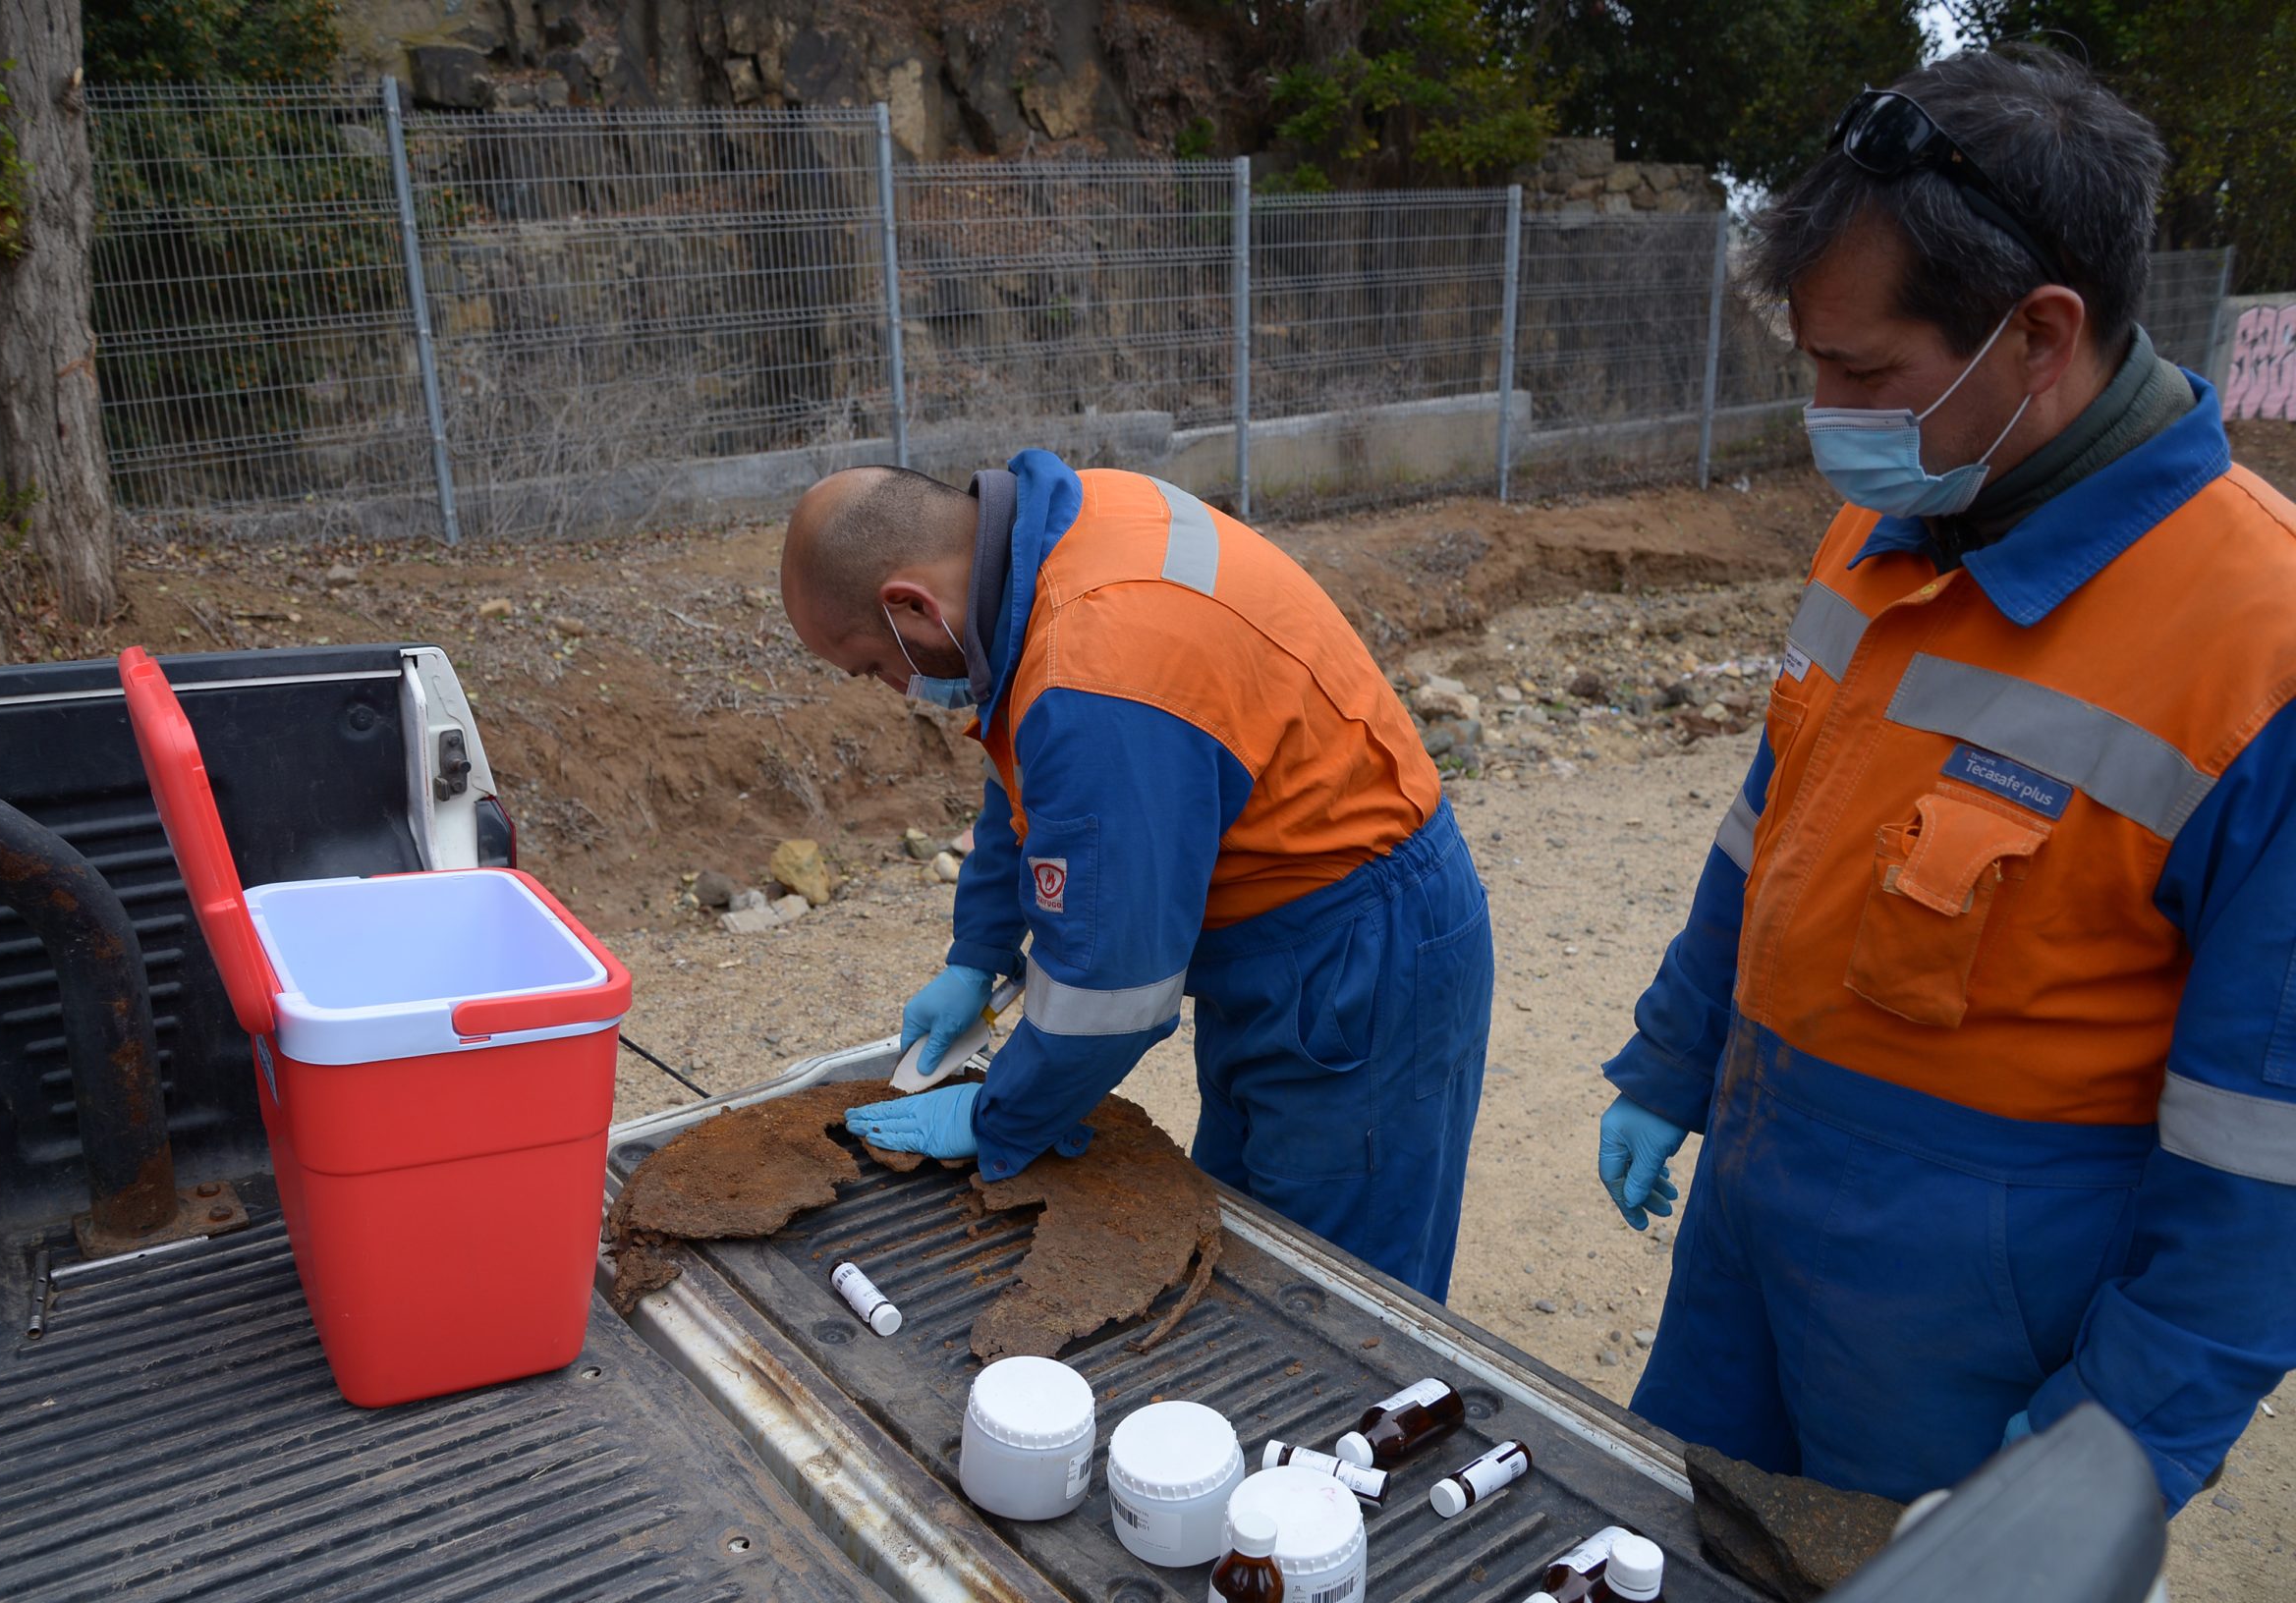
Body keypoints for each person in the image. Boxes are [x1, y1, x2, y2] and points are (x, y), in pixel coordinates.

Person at [1596, 46, 2296, 1515]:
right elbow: (1765, 828)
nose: (1828, 412)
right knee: (1693, 1559)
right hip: (1753, 1235)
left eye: (1863, 373)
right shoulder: (1893, 525)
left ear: (2038, 336)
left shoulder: (2260, 652)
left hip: (1968, 1342)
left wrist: (2101, 1454)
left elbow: (2263, 1154)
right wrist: (1673, 1057)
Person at [777, 454, 1493, 1297]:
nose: (895, 688)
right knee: (1247, 1239)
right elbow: (1026, 765)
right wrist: (980, 950)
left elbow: (1113, 995)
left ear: (909, 605)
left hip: (1361, 957)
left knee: (1333, 1292)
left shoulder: (1094, 669)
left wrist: (995, 1112)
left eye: (873, 666)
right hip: (1291, 932)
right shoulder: (1066, 531)